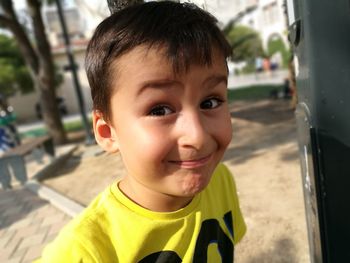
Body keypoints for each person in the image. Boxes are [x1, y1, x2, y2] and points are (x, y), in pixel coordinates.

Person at [37, 1, 246, 262]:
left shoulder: (219, 181)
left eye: (210, 102)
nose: (198, 136)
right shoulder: (84, 252)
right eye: (159, 110)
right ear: (107, 132)